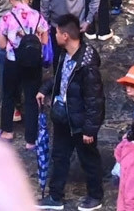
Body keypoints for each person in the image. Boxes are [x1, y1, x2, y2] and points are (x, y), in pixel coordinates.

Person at [40, 14, 105, 211]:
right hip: (63, 116)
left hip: (79, 119)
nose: (55, 35)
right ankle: (55, 196)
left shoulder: (87, 64)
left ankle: (96, 196)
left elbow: (95, 100)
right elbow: (61, 79)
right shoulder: (64, 55)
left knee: (88, 158)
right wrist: (45, 89)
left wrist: (89, 129)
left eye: (57, 32)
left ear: (66, 35)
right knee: (59, 155)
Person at [0, 0, 52, 146]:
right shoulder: (37, 16)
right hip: (33, 62)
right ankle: (31, 139)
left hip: (13, 61)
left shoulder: (7, 18)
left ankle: (7, 131)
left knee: (8, 95)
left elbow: (1, 44)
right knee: (31, 98)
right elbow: (44, 40)